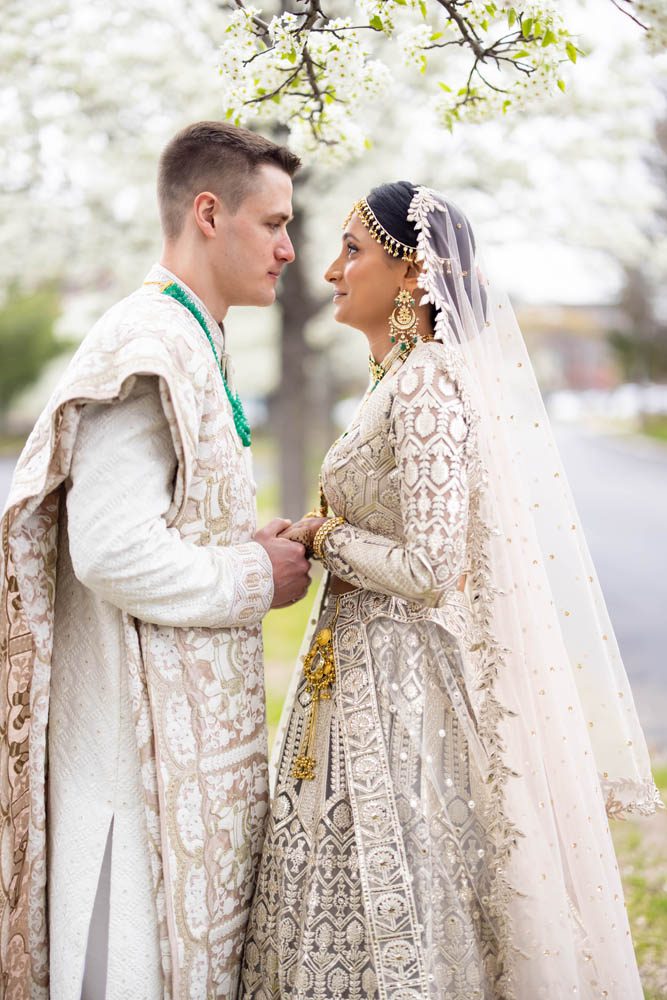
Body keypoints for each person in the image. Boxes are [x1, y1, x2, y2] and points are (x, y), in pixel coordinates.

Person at [240, 182, 661, 999]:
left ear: (410, 276)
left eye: (351, 249)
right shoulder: (397, 379)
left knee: (397, 904)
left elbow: (433, 569)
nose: (328, 270)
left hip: (399, 698)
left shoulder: (429, 382)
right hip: (354, 676)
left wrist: (324, 537)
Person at [0, 121, 312, 999]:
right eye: (273, 223)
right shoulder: (148, 343)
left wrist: (236, 545)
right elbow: (112, 549)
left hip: (178, 756)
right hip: (131, 776)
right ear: (208, 213)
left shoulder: (191, 337)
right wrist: (257, 579)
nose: (290, 249)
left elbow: (160, 521)